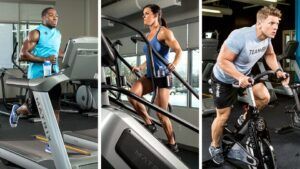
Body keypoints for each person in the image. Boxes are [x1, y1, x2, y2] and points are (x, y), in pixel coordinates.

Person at [209, 5, 289, 164]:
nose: (276, 28)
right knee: (223, 116)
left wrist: (279, 71)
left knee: (264, 97)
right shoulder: (240, 36)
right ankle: (215, 146)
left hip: (244, 77)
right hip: (224, 79)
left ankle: (243, 118)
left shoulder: (266, 38)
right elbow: (222, 61)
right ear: (260, 23)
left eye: (277, 24)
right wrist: (239, 76)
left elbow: (270, 55)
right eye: (271, 23)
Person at [128, 4, 182, 153]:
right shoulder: (148, 34)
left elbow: (178, 50)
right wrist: (141, 67)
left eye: (146, 13)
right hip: (151, 76)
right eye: (143, 14)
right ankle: (149, 122)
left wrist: (175, 63)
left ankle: (172, 143)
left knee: (161, 114)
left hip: (163, 76)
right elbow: (150, 57)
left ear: (156, 15)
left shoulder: (164, 32)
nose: (143, 16)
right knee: (132, 95)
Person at [9, 7, 64, 153]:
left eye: (56, 16)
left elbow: (55, 51)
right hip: (37, 77)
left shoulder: (58, 34)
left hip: (54, 76)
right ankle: (18, 110)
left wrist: (69, 55)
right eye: (51, 15)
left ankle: (53, 143)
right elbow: (22, 55)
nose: (55, 18)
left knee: (55, 110)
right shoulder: (35, 33)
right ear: (43, 18)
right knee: (34, 110)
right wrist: (44, 59)